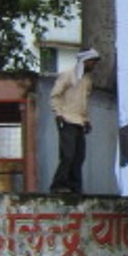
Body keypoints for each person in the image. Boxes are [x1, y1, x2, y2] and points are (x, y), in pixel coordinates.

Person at [50, 49, 100, 193]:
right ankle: (58, 185)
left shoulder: (86, 80)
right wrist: (58, 113)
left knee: (79, 157)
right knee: (68, 155)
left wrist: (86, 120)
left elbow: (84, 102)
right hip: (66, 118)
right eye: (92, 61)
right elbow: (55, 95)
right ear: (85, 61)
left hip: (79, 120)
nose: (94, 64)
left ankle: (75, 187)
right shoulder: (68, 75)